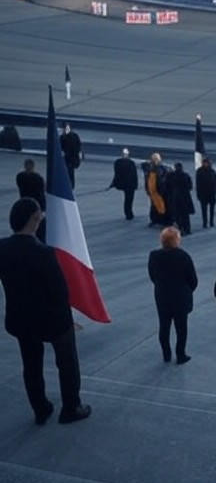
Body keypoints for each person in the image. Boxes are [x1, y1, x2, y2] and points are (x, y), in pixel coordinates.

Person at [0, 198, 91, 425]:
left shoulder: (2, 248)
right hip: (51, 319)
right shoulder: (44, 253)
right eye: (39, 214)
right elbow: (59, 291)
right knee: (67, 362)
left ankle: (40, 408)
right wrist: (69, 319)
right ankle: (71, 407)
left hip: (20, 317)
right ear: (33, 218)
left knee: (31, 364)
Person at [148, 226, 197, 364]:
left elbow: (152, 275)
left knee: (164, 326)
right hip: (180, 298)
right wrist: (187, 290)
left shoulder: (154, 256)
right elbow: (193, 279)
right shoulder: (184, 256)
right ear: (176, 240)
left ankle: (166, 354)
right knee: (181, 328)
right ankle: (180, 354)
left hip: (162, 296)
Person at [16, 159, 46, 242]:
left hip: (24, 203)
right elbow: (42, 191)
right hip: (37, 205)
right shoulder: (38, 178)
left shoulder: (20, 177)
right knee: (40, 228)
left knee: (25, 225)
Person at [110, 148, 139, 220]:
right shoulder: (131, 163)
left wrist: (114, 183)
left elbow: (117, 174)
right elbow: (134, 175)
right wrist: (135, 185)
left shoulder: (117, 162)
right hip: (130, 184)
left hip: (123, 184)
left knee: (127, 199)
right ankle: (129, 214)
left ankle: (128, 213)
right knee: (129, 199)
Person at [143, 152, 170, 227]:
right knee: (154, 207)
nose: (154, 161)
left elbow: (164, 180)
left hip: (160, 192)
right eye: (153, 159)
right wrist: (147, 190)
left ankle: (164, 221)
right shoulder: (150, 170)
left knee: (162, 207)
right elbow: (147, 180)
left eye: (156, 159)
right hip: (153, 192)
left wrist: (163, 190)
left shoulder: (162, 169)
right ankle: (155, 220)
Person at [169, 162, 194, 235]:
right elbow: (190, 186)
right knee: (185, 216)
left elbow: (168, 186)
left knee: (178, 216)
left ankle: (180, 229)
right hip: (185, 198)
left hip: (176, 198)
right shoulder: (185, 176)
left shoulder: (172, 176)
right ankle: (187, 229)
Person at [195, 156, 216, 228]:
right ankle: (205, 223)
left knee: (212, 209)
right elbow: (198, 183)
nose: (206, 164)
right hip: (203, 194)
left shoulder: (212, 171)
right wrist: (198, 194)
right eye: (204, 163)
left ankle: (211, 222)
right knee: (204, 210)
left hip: (211, 193)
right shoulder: (199, 171)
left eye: (207, 163)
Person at [59, 123, 82, 190]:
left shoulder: (64, 137)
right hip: (71, 157)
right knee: (70, 172)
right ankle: (71, 186)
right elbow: (79, 146)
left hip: (69, 158)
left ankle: (69, 185)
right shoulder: (74, 136)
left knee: (69, 172)